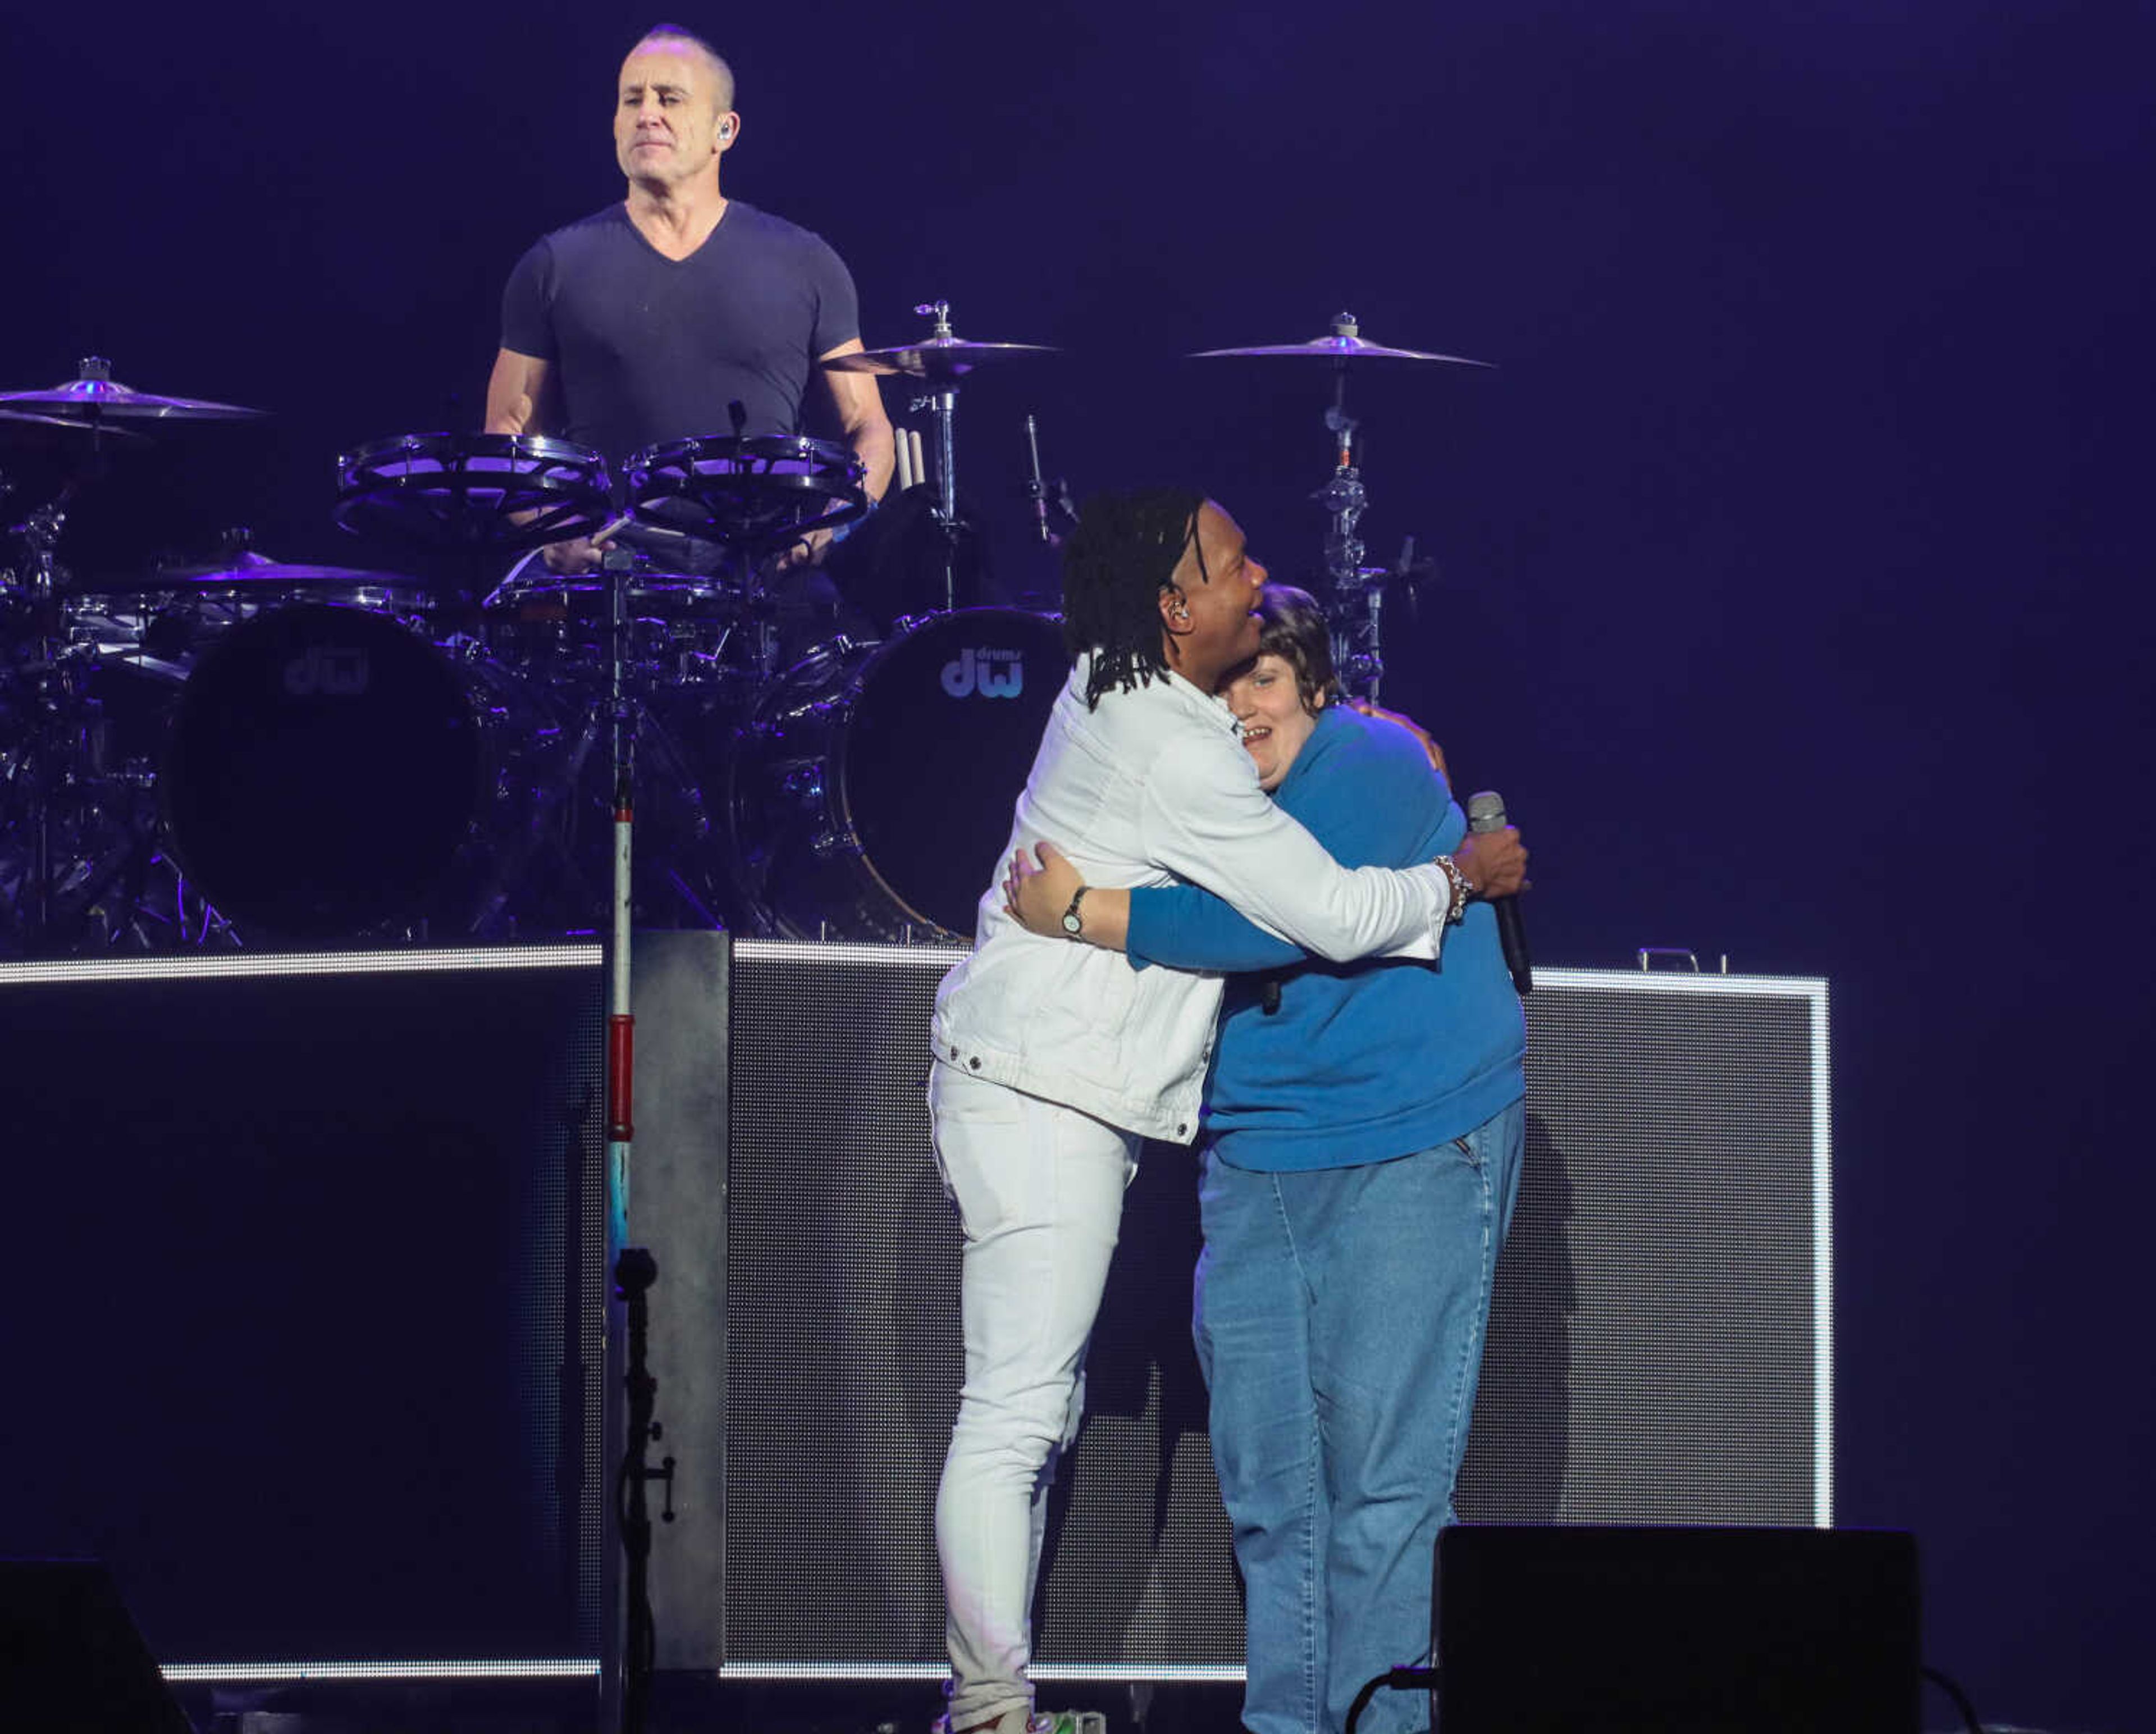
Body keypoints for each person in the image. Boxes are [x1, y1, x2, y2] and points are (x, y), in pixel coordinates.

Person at [928, 494, 1526, 1734]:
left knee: (1375, 1484)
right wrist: (1456, 877)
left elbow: (1279, 915)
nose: (1247, 697)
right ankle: (1053, 1712)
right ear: (1173, 619)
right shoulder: (1178, 740)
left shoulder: (1353, 754)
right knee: (1236, 1478)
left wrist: (1089, 911)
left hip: (1397, 1139)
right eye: (1233, 665)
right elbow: (1288, 910)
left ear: (1319, 690)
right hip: (1173, 1132)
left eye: (1273, 679)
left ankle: (1366, 1723)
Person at [482, 22, 894, 573]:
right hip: (614, 583)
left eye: (669, 98)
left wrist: (827, 526)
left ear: (725, 129)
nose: (647, 113)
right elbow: (506, 432)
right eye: (632, 99)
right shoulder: (553, 264)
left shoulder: (807, 261)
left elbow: (867, 424)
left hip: (767, 571)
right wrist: (551, 534)